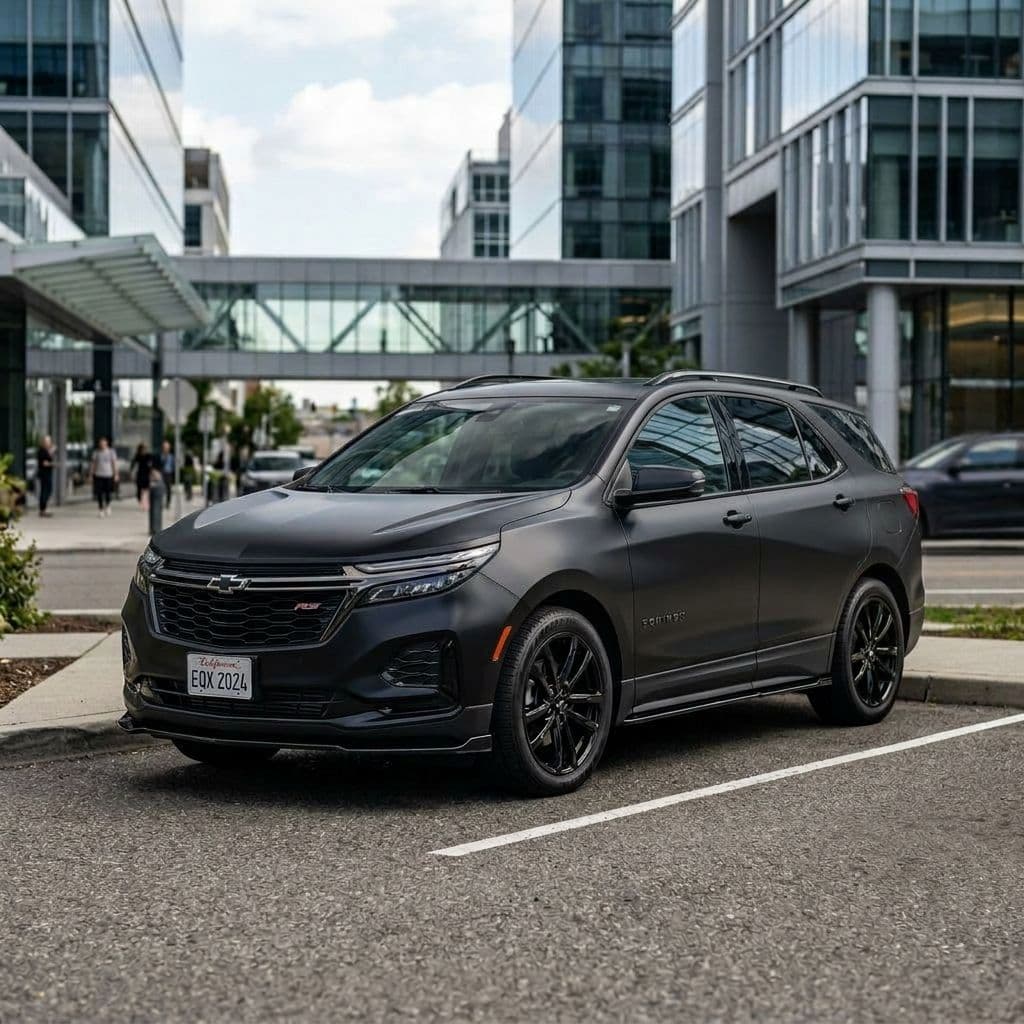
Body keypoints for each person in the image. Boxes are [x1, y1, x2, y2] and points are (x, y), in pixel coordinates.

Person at [90, 437, 117, 517]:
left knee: (108, 492)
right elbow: (93, 464)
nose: (102, 445)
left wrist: (116, 474)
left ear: (106, 444)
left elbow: (114, 464)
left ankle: (108, 505)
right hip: (99, 475)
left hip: (108, 474)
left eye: (103, 443)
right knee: (99, 493)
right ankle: (101, 509)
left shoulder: (111, 452)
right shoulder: (96, 452)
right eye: (101, 443)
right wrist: (91, 474)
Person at [36, 435, 54, 517]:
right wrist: (53, 464)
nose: (49, 443)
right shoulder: (42, 451)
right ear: (44, 442)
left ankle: (43, 509)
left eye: (49, 441)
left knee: (47, 490)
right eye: (48, 442)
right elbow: (44, 463)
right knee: (46, 491)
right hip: (44, 474)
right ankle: (42, 510)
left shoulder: (46, 451)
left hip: (47, 473)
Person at [130, 443, 153, 509]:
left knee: (147, 490)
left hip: (147, 474)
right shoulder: (137, 456)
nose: (143, 450)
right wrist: (131, 472)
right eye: (142, 449)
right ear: (139, 450)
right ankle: (140, 501)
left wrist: (151, 473)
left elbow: (151, 465)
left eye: (144, 449)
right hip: (139, 474)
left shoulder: (149, 456)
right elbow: (133, 464)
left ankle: (146, 503)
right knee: (139, 489)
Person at [159, 440, 175, 508]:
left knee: (168, 489)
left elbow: (173, 466)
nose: (166, 449)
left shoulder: (171, 457)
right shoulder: (160, 456)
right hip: (161, 473)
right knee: (160, 489)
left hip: (168, 474)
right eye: (164, 447)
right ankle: (160, 503)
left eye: (167, 447)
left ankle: (168, 503)